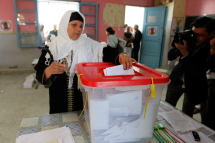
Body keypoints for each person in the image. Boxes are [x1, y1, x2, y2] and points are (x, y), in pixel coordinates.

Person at [34, 10, 136, 114]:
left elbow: (107, 51)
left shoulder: (88, 45)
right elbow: (39, 73)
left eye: (81, 26)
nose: (78, 29)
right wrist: (49, 70)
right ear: (65, 25)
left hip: (83, 106)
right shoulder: (52, 48)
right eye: (74, 25)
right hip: (58, 106)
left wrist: (121, 55)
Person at [165, 17, 215, 117]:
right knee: (167, 107)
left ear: (211, 34)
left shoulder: (211, 48)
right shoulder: (189, 39)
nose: (195, 37)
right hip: (177, 79)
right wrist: (178, 44)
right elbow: (170, 56)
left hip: (193, 84)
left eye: (200, 35)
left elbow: (197, 71)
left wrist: (185, 52)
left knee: (186, 113)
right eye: (194, 33)